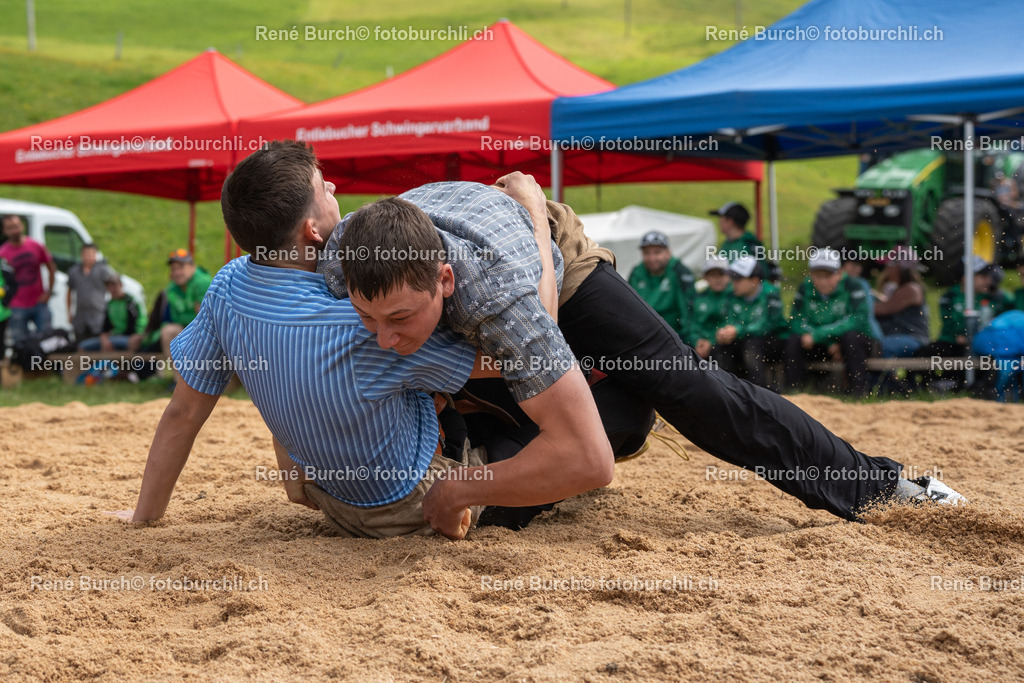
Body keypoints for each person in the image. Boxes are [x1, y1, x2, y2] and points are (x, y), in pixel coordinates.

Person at [324, 178, 967, 539]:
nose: (382, 334)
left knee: (690, 391)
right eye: (366, 316)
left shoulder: (503, 296)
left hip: (551, 266)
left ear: (442, 281)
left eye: (400, 319)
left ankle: (884, 486)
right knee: (537, 410)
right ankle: (607, 424)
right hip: (478, 249)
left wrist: (530, 214)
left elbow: (543, 337)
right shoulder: (337, 268)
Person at [112, 141, 614, 542]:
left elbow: (183, 413)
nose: (333, 186)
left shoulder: (225, 287)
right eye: (322, 188)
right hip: (404, 507)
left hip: (324, 494)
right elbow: (514, 362)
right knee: (569, 431)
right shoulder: (356, 326)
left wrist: (145, 516)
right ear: (312, 229)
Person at [784, 249, 877, 396]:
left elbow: (857, 320)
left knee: (851, 339)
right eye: (817, 276)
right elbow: (795, 321)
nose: (822, 281)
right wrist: (828, 341)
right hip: (824, 345)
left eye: (828, 276)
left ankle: (858, 395)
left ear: (839, 273)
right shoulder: (805, 287)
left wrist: (818, 335)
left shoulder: (854, 286)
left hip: (855, 343)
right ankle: (794, 394)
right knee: (794, 340)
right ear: (810, 274)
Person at [714, 255, 785, 391]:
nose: (734, 282)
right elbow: (727, 320)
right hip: (744, 339)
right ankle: (726, 391)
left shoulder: (771, 293)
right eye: (733, 278)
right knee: (721, 347)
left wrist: (737, 330)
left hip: (772, 341)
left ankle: (760, 392)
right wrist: (725, 332)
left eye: (738, 279)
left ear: (755, 280)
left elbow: (767, 326)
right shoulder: (731, 294)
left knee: (752, 347)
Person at [627, 230, 695, 343]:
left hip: (673, 335)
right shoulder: (637, 273)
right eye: (647, 253)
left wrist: (688, 339)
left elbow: (688, 309)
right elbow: (628, 306)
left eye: (657, 252)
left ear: (668, 252)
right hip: (641, 334)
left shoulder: (679, 272)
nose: (651, 258)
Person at [0, 214, 56, 344]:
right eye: (10, 228)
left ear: (22, 226)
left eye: (16, 226)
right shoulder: (2, 253)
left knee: (47, 342)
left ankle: (45, 365)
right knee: (21, 345)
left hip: (39, 303)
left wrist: (48, 292)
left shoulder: (36, 246)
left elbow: (51, 268)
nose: (15, 230)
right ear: (4, 231)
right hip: (15, 306)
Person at [158, 249, 213, 358]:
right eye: (173, 269)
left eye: (181, 267)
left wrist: (193, 316)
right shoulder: (172, 288)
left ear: (192, 266)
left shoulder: (203, 282)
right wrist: (193, 314)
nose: (177, 272)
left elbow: (206, 319)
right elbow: (176, 317)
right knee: (168, 331)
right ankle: (178, 374)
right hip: (188, 329)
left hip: (208, 332)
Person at [78, 270, 147, 352]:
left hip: (129, 337)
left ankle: (109, 364)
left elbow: (139, 322)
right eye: (109, 286)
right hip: (113, 336)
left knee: (109, 346)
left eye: (114, 285)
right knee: (82, 347)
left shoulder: (131, 302)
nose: (112, 289)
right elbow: (106, 326)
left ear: (121, 285)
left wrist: (138, 334)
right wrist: (104, 337)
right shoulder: (110, 304)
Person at [873, 258, 930, 358]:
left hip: (914, 339)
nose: (887, 269)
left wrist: (861, 304)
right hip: (897, 336)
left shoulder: (911, 289)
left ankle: (886, 374)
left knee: (881, 347)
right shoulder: (899, 288)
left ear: (901, 268)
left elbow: (885, 309)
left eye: (890, 265)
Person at [66, 243, 113, 342]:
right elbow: (69, 292)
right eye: (85, 254)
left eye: (90, 254)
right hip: (80, 314)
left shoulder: (103, 270)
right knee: (80, 342)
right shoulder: (74, 271)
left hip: (98, 313)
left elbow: (111, 288)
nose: (88, 257)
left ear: (95, 254)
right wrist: (69, 312)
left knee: (96, 342)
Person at [692, 257, 732, 358]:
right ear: (705, 277)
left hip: (723, 344)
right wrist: (697, 340)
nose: (717, 279)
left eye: (721, 274)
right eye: (713, 275)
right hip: (699, 342)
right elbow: (691, 323)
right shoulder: (697, 298)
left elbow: (731, 323)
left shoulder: (734, 297)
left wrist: (711, 341)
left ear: (728, 276)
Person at [0, 257, 17, 358]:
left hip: (2, 313)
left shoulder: (4, 269)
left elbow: (13, 285)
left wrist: (5, 298)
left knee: (1, 342)